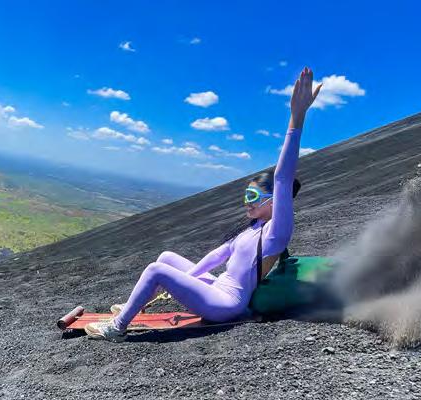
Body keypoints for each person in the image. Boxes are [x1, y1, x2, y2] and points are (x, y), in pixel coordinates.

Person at [85, 67, 322, 342]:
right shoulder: (252, 228)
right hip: (216, 287)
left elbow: (282, 177)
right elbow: (216, 257)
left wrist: (297, 117)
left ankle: (117, 328)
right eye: (245, 195)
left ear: (274, 200)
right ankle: (136, 302)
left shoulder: (276, 233)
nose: (246, 203)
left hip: (226, 304)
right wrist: (185, 281)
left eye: (252, 197)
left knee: (156, 270)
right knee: (166, 258)